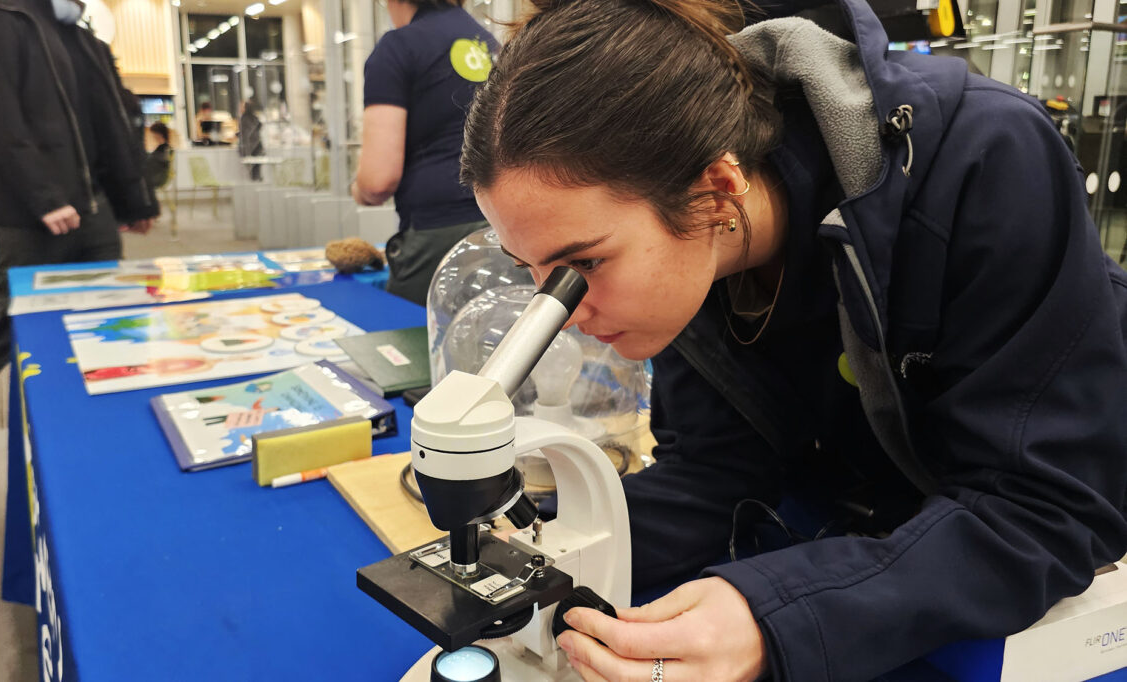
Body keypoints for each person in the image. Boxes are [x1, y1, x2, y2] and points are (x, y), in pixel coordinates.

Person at [460, 0, 1127, 678]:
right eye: (532, 271)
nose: (566, 313)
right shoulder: (691, 255)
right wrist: (547, 546)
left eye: (585, 264)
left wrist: (775, 617)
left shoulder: (988, 158)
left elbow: (1048, 509)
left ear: (718, 191)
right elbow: (721, 470)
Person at [0, 0, 158, 481]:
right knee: (10, 322)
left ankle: (94, 435)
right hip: (33, 214)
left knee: (102, 317)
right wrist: (44, 195)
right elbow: (2, 120)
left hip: (95, 211)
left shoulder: (82, 34)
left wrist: (135, 199)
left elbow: (110, 121)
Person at [350, 0, 499, 305]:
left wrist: (359, 190)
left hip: (438, 233)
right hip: (505, 227)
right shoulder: (489, 44)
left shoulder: (399, 48)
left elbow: (378, 181)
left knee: (409, 344)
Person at [238, 99, 265, 181]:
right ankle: (257, 181)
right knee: (256, 169)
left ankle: (255, 183)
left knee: (253, 171)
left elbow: (245, 134)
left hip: (250, 148)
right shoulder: (255, 118)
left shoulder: (244, 119)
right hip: (257, 147)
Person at [144, 121, 173, 191]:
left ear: (159, 134)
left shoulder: (163, 149)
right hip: (160, 176)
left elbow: (155, 161)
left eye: (154, 135)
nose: (153, 137)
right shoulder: (166, 148)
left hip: (158, 177)